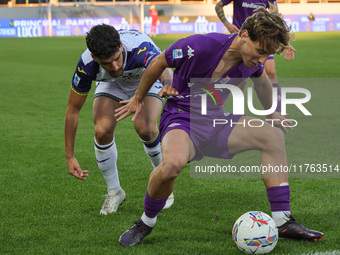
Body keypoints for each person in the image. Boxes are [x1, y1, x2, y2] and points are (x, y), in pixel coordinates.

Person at [115, 5, 324, 246]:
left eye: (268, 55)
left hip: (216, 119)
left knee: (272, 136)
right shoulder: (201, 46)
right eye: (260, 51)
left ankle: (283, 221)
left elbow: (263, 83)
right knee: (172, 165)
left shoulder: (252, 61)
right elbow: (160, 60)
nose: (262, 59)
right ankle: (145, 223)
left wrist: (273, 112)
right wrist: (139, 97)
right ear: (244, 35)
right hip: (182, 117)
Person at [65, 24, 174, 215]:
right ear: (94, 57)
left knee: (146, 128)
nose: (115, 67)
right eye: (107, 63)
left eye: (117, 58)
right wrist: (69, 156)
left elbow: (164, 70)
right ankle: (114, 191)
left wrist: (166, 86)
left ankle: (163, 182)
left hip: (146, 79)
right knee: (102, 129)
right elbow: (73, 109)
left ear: (121, 48)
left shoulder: (140, 48)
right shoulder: (86, 65)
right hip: (112, 85)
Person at [215, 0, 296, 113]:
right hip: (244, 41)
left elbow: (275, 19)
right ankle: (238, 114)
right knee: (241, 80)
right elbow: (218, 6)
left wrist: (284, 43)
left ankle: (277, 110)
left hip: (263, 40)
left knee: (271, 72)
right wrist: (227, 24)